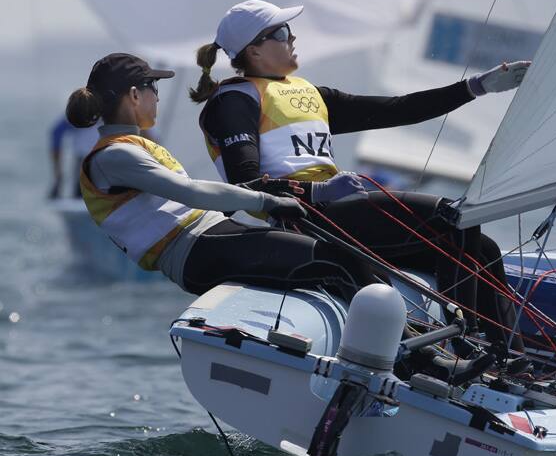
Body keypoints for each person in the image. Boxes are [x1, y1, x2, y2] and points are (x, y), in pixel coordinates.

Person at [191, 0, 530, 352]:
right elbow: (245, 182)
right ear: (254, 50)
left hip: (342, 212)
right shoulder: (232, 102)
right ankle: (466, 344)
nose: (292, 37)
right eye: (281, 32)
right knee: (455, 219)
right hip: (306, 218)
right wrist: (317, 191)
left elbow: (399, 109)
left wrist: (477, 86)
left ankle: (511, 355)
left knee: (484, 249)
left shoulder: (309, 94)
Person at [67, 52, 375, 299]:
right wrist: (268, 202)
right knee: (338, 263)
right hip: (196, 251)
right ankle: (404, 358)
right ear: (134, 95)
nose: (157, 98)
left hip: (212, 238)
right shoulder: (114, 156)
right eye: (154, 88)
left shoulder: (132, 146)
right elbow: (191, 192)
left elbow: (205, 194)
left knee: (343, 258)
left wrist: (308, 193)